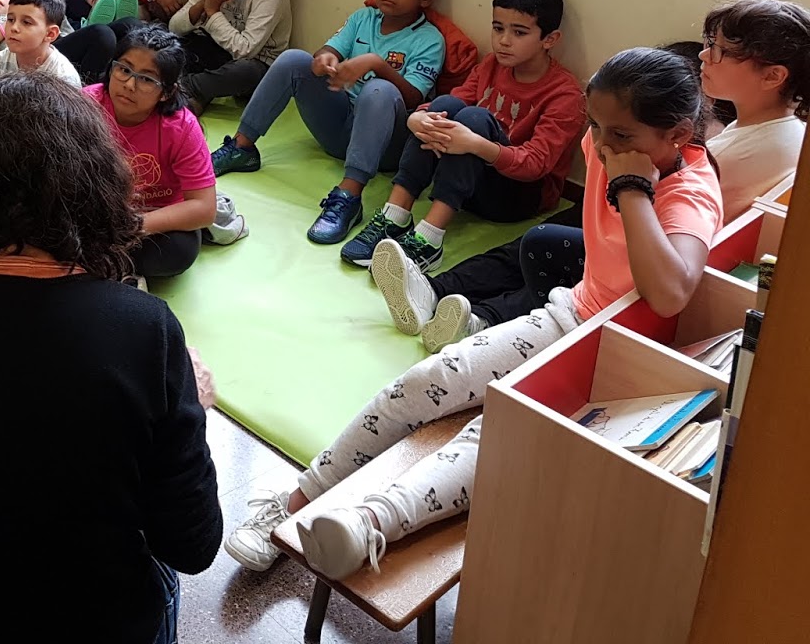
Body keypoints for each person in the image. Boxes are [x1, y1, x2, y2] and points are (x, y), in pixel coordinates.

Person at [224, 48, 722, 579]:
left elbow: (670, 294)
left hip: (620, 362)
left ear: (677, 135)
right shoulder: (609, 148)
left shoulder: (690, 191)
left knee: (491, 437)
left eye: (620, 135)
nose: (601, 145)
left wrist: (632, 189)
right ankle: (294, 503)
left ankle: (367, 524)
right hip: (571, 315)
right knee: (428, 379)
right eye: (596, 126)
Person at [0, 74, 221, 643]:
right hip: (94, 618)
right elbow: (194, 544)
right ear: (96, 185)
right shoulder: (144, 328)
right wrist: (192, 407)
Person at [341, 0, 584, 275]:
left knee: (475, 119)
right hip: (468, 181)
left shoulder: (565, 94)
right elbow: (455, 99)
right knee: (445, 105)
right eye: (498, 28)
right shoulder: (493, 64)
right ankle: (395, 216)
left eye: (519, 32)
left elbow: (535, 164)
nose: (504, 41)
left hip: (517, 196)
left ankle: (430, 239)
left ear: (550, 39)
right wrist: (417, 118)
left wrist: (474, 143)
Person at [211, 0, 447, 247]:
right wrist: (325, 60)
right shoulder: (364, 18)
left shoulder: (429, 39)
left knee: (379, 90)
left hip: (384, 147)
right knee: (294, 59)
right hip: (339, 129)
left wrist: (375, 63)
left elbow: (413, 100)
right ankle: (242, 147)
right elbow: (326, 52)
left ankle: (349, 195)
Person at [89, 23, 247, 282]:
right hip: (94, 210)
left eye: (147, 79)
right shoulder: (84, 106)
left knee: (177, 252)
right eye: (124, 69)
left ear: (167, 92)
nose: (129, 84)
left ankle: (104, 264)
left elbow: (204, 207)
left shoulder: (182, 127)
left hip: (152, 215)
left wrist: (135, 226)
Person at [699, 0, 810, 220]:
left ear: (772, 76)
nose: (704, 55)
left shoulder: (722, 158)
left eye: (721, 50)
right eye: (710, 43)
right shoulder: (794, 127)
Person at [0, 0, 80, 87]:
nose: (14, 28)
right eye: (11, 19)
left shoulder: (63, 77)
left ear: (50, 34)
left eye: (26, 22)